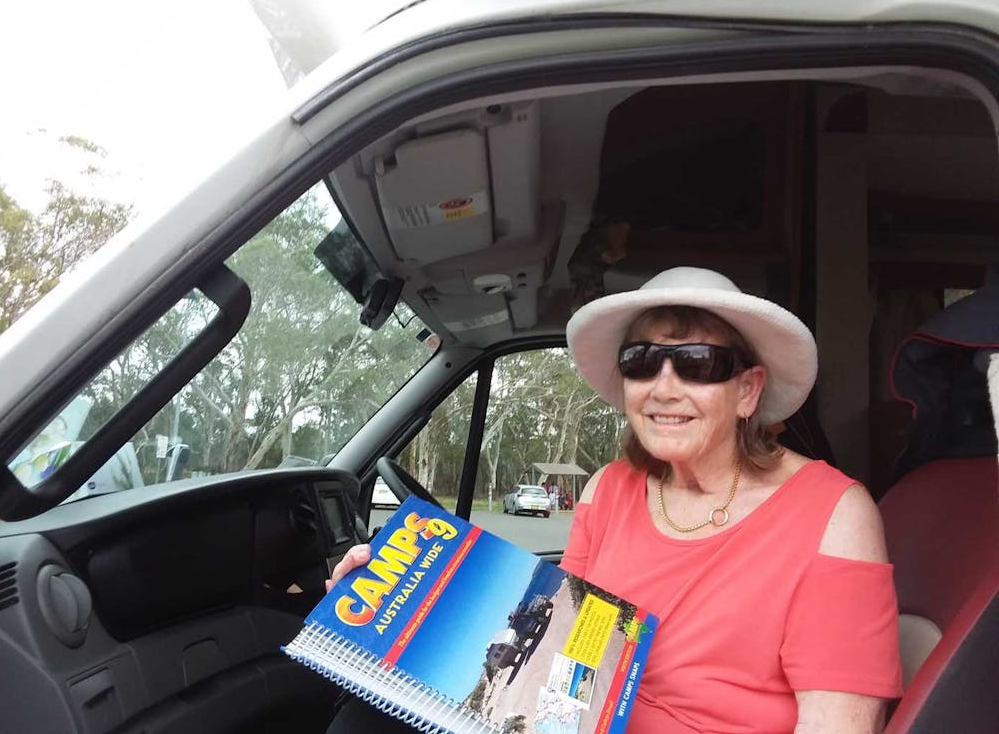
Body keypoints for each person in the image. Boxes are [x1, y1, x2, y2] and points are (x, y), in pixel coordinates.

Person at [326, 266, 902, 733]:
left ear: (748, 390)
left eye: (697, 364)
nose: (664, 387)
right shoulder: (609, 488)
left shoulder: (835, 516)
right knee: (362, 720)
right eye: (642, 362)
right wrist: (395, 601)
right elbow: (571, 651)